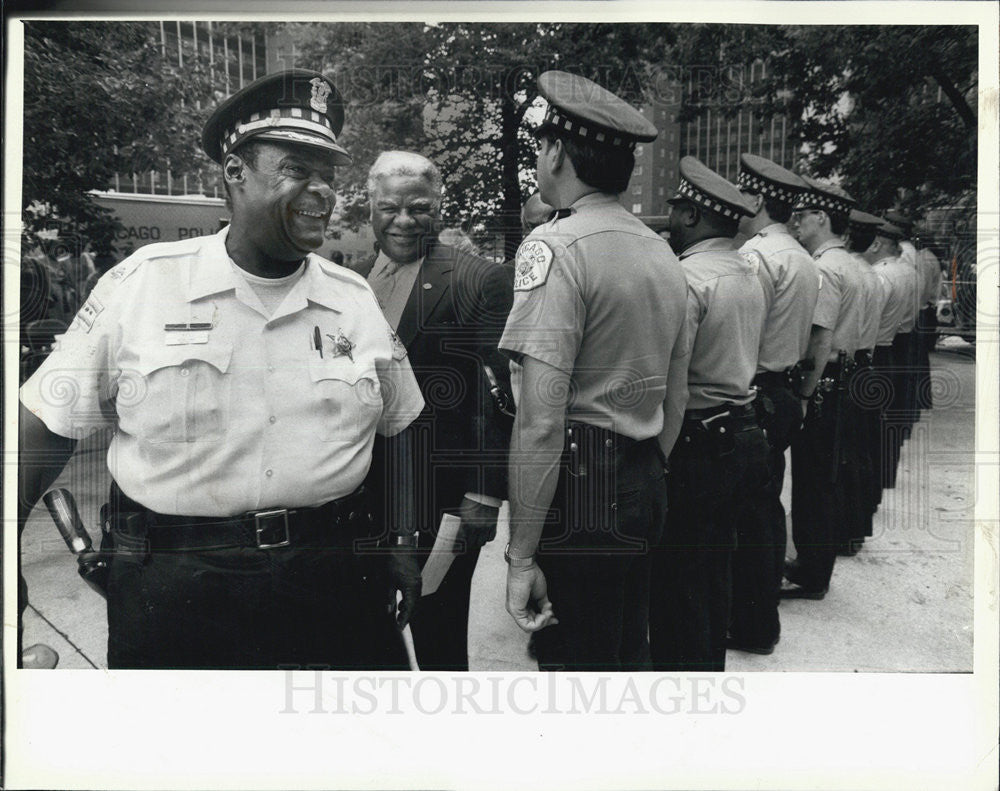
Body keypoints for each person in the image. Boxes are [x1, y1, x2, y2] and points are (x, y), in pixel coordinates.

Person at [18, 69, 426, 670]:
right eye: (296, 169)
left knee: (349, 758)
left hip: (335, 576)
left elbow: (401, 425)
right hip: (177, 587)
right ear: (235, 173)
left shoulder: (353, 298)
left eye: (328, 175)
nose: (322, 192)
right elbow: (42, 428)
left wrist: (399, 540)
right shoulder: (144, 283)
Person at [499, 70, 689, 671]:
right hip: (642, 477)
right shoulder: (661, 251)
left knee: (577, 667)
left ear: (557, 151)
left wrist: (521, 558)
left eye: (541, 144)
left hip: (582, 487)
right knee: (625, 650)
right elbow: (676, 393)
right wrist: (644, 465)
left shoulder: (553, 248)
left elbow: (539, 422)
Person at [353, 150, 514, 671]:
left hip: (440, 500)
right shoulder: (349, 283)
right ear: (371, 210)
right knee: (369, 639)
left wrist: (485, 493)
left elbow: (501, 396)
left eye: (418, 207)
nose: (403, 220)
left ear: (439, 206)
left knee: (440, 640)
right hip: (359, 497)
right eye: (389, 208)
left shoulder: (479, 280)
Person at [649, 155, 769, 672]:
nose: (670, 220)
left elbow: (673, 387)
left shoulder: (688, 278)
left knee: (679, 580)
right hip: (740, 430)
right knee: (713, 570)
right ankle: (706, 675)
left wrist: (660, 459)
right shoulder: (748, 271)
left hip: (697, 440)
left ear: (693, 216)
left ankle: (685, 692)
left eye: (676, 210)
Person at [728, 153, 819, 655]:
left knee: (746, 514)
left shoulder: (758, 257)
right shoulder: (802, 256)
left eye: (743, 197)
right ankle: (760, 620)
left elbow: (742, 330)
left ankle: (750, 624)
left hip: (755, 390)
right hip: (781, 389)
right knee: (765, 507)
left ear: (757, 199)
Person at [784, 178, 864, 600]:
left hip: (825, 382)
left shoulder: (826, 268)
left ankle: (811, 572)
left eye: (803, 215)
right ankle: (816, 566)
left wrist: (802, 394)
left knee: (813, 481)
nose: (796, 222)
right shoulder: (849, 263)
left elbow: (820, 337)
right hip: (847, 377)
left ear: (822, 217)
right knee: (828, 477)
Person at [842, 208, 891, 554]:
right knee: (858, 453)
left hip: (846, 366)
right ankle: (855, 528)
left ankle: (844, 531)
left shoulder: (845, 272)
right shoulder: (872, 275)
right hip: (866, 362)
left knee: (841, 457)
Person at [865, 220, 918, 491]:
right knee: (891, 417)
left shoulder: (880, 275)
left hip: (878, 349)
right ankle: (885, 476)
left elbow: (870, 319)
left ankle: (873, 481)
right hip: (898, 345)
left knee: (874, 421)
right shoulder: (908, 271)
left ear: (877, 244)